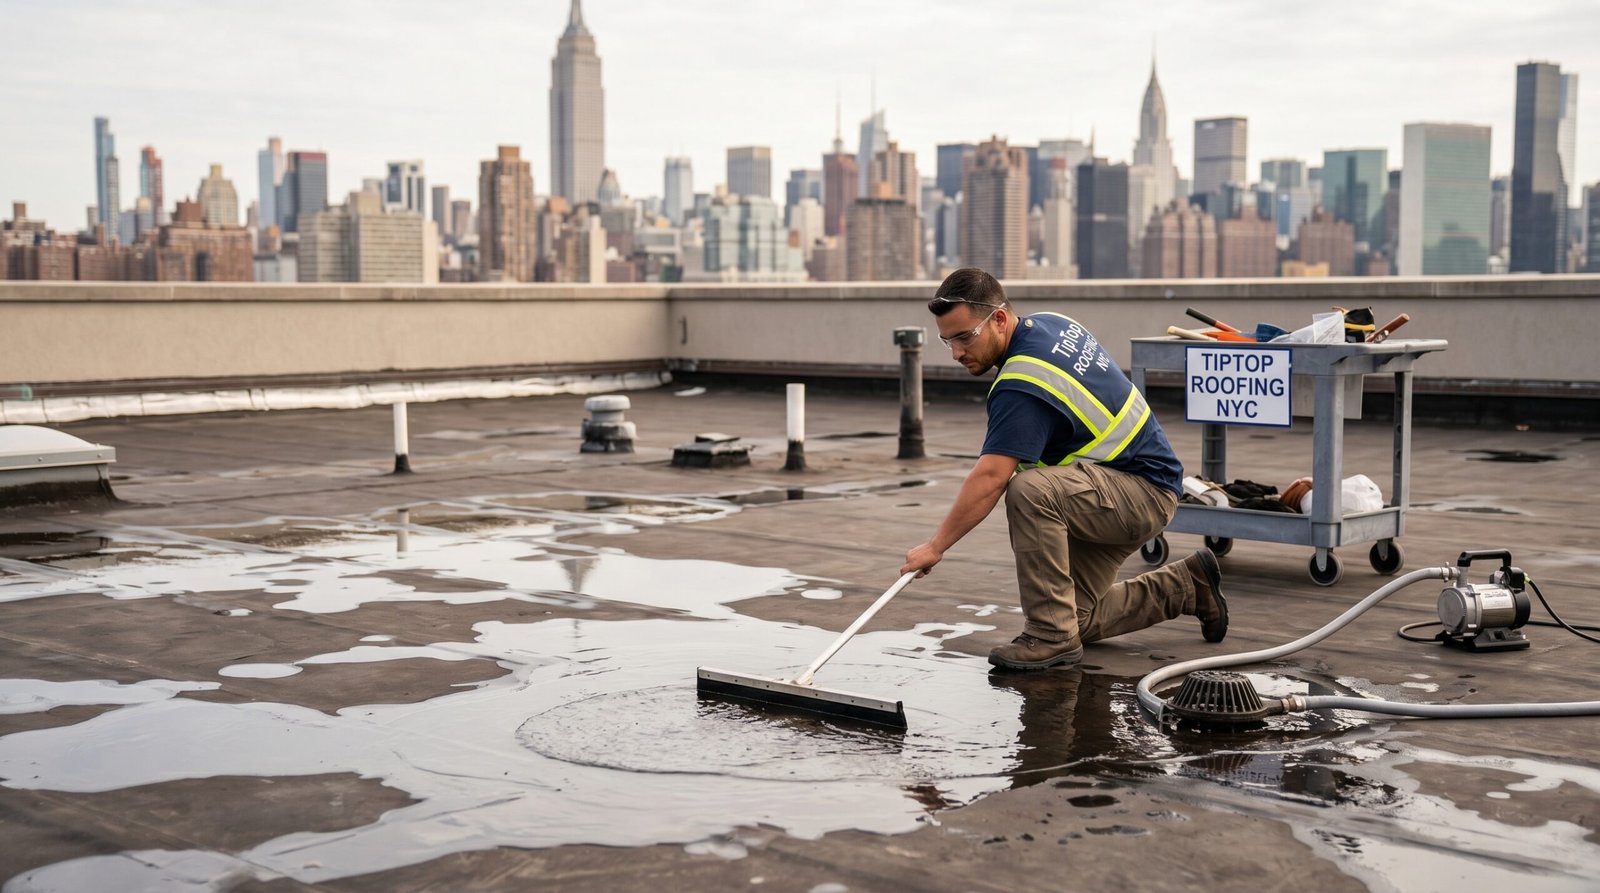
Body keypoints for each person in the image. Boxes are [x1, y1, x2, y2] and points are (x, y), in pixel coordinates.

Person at [901, 267, 1228, 671]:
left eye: (965, 336)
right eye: (947, 340)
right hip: (1128, 483)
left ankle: (1048, 637)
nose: (956, 353)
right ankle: (1187, 586)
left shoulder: (1022, 384)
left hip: (1138, 493)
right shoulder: (1052, 324)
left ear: (999, 319)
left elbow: (990, 478)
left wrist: (935, 547)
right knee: (1077, 619)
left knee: (1028, 490)